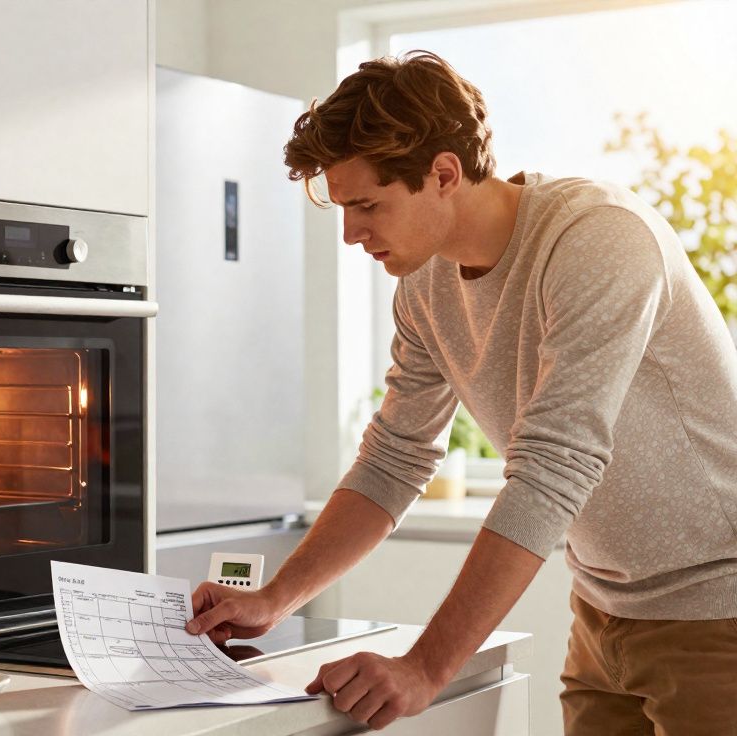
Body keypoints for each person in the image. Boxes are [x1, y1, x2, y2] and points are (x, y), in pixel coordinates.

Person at [185, 50, 737, 734]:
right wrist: (274, 598)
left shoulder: (598, 242)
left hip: (721, 611)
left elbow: (554, 468)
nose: (353, 232)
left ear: (444, 173)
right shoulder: (425, 287)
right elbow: (394, 461)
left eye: (367, 205)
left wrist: (425, 667)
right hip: (603, 612)